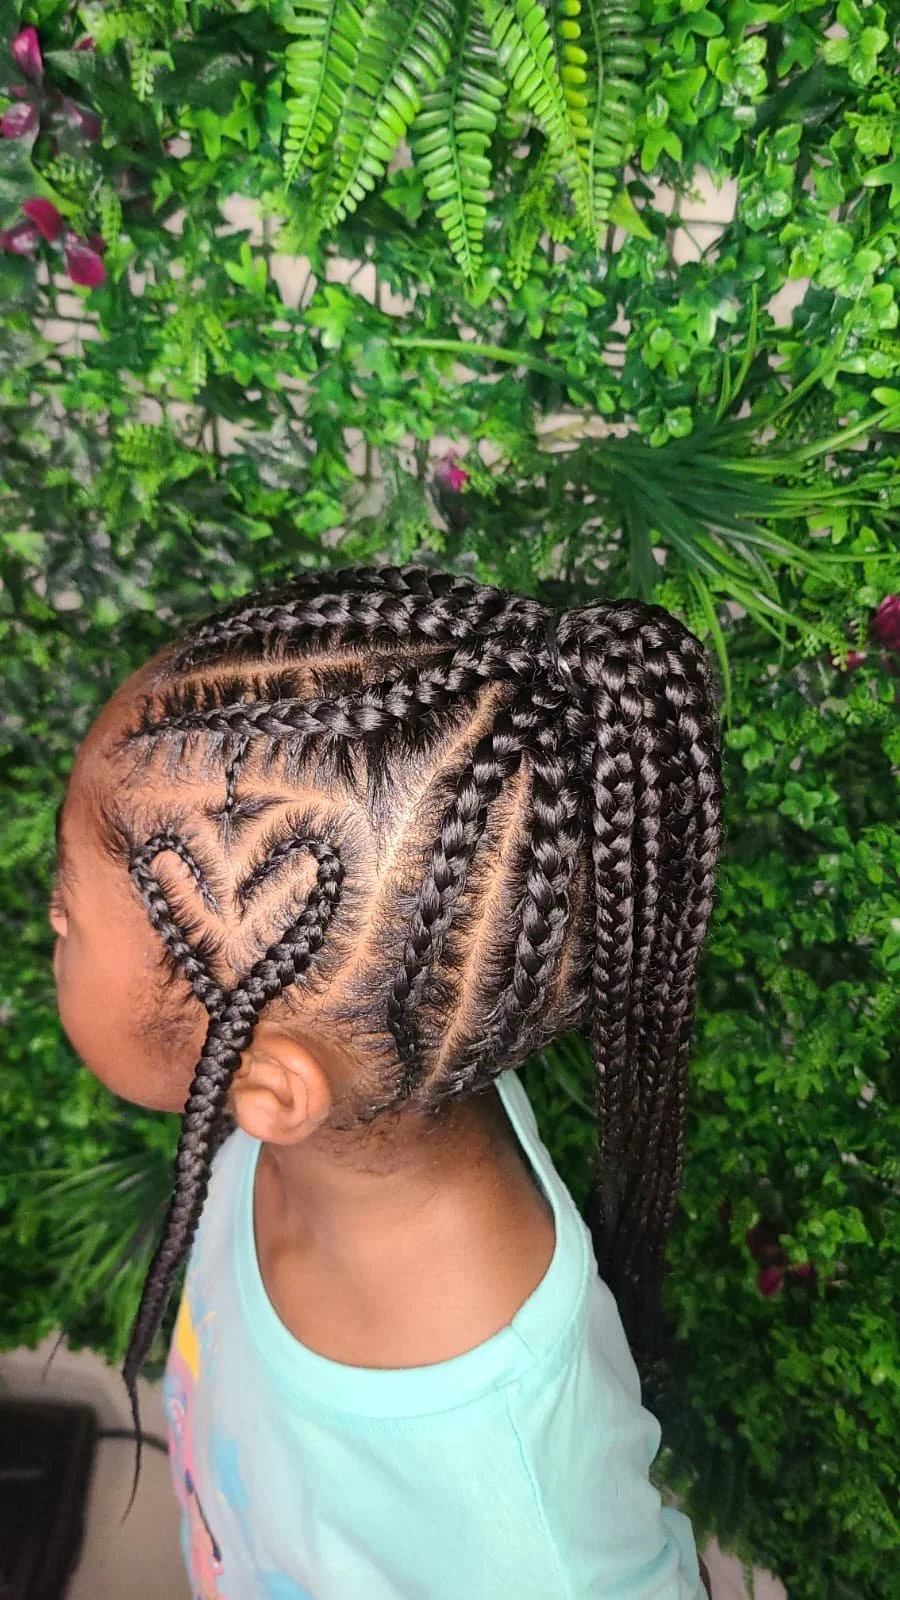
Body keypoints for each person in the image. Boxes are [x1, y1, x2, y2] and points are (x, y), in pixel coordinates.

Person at [50, 566, 720, 1599]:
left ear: (271, 1088)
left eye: (66, 917)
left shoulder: (514, 1497)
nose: (46, 924)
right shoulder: (373, 1086)